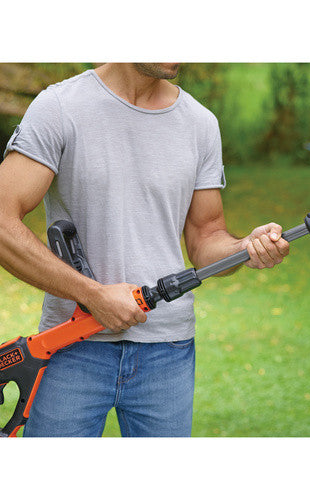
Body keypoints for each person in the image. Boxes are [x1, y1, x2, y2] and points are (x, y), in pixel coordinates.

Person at [0, 63, 289, 437]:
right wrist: (93, 295)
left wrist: (243, 247)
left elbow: (206, 237)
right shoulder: (60, 107)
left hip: (167, 352)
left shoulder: (200, 123)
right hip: (71, 347)